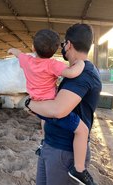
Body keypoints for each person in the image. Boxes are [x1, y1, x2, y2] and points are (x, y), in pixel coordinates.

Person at [7, 28, 95, 185]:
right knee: (82, 130)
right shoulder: (53, 65)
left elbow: (57, 110)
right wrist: (79, 64)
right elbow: (71, 73)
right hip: (51, 137)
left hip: (61, 148)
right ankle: (79, 169)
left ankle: (78, 169)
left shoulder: (28, 61)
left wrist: (29, 103)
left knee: (75, 128)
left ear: (68, 45)